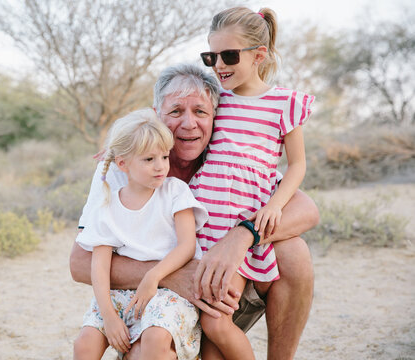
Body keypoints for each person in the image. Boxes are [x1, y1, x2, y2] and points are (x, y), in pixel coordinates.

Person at [70, 63, 319, 360]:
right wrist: (168, 275)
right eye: (175, 112)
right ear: (156, 114)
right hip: (154, 299)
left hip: (220, 296)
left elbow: (307, 210)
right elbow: (79, 263)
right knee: (145, 352)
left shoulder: (222, 157)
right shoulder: (125, 167)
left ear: (215, 116)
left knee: (294, 251)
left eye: (200, 112)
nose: (189, 124)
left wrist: (241, 236)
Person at [194, 7, 315, 359]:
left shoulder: (283, 103)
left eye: (229, 55)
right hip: (206, 226)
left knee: (217, 323)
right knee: (212, 333)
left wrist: (275, 205)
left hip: (243, 220)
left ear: (259, 56)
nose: (219, 65)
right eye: (211, 56)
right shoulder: (215, 98)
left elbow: (297, 165)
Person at [73, 108, 209, 360]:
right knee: (85, 344)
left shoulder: (175, 192)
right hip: (118, 294)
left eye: (164, 157)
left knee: (156, 340)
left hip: (167, 291)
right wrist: (110, 317)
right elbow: (99, 265)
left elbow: (187, 245)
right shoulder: (107, 205)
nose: (161, 167)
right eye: (149, 160)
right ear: (122, 163)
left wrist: (152, 277)